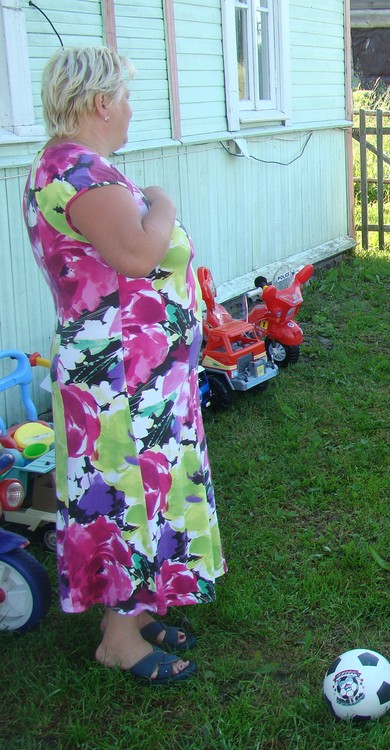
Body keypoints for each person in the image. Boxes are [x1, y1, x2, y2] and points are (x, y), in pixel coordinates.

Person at [22, 47, 226, 685]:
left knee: (149, 491)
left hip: (136, 380)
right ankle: (118, 638)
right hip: (120, 386)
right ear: (100, 101)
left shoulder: (79, 170)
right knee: (128, 496)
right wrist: (162, 200)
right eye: (126, 96)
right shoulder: (78, 174)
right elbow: (139, 253)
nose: (131, 108)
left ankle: (136, 615)